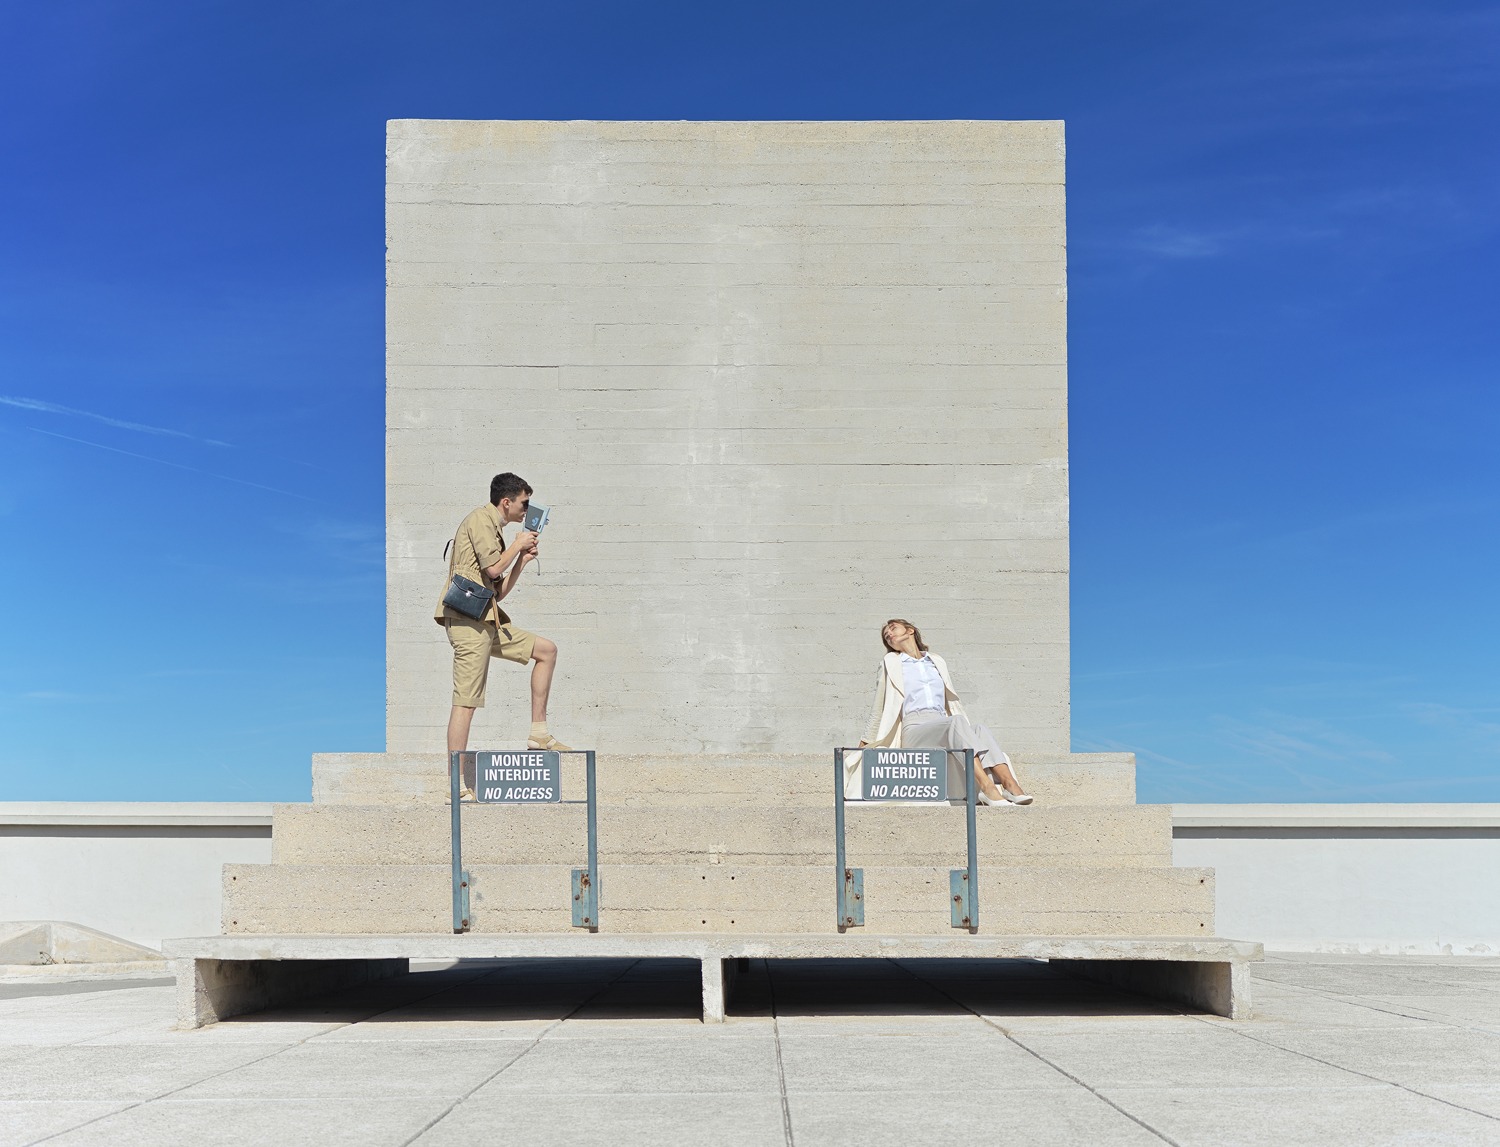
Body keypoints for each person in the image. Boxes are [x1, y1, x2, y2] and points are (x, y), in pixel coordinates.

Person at [437, 472, 570, 762]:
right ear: (506, 502)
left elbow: (496, 591)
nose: (526, 510)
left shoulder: (495, 529)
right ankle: (455, 785)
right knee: (466, 702)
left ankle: (538, 733)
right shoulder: (481, 520)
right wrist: (518, 545)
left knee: (546, 651)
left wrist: (521, 561)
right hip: (468, 625)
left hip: (487, 620)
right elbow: (495, 569)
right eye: (524, 504)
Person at [858, 618, 1033, 806]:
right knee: (956, 722)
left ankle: (1010, 785)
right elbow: (879, 705)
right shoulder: (891, 662)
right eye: (886, 636)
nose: (889, 635)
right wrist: (865, 742)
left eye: (892, 629)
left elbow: (951, 701)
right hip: (915, 729)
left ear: (910, 630)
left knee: (979, 729)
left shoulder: (936, 661)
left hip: (941, 723)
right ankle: (987, 788)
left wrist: (964, 730)